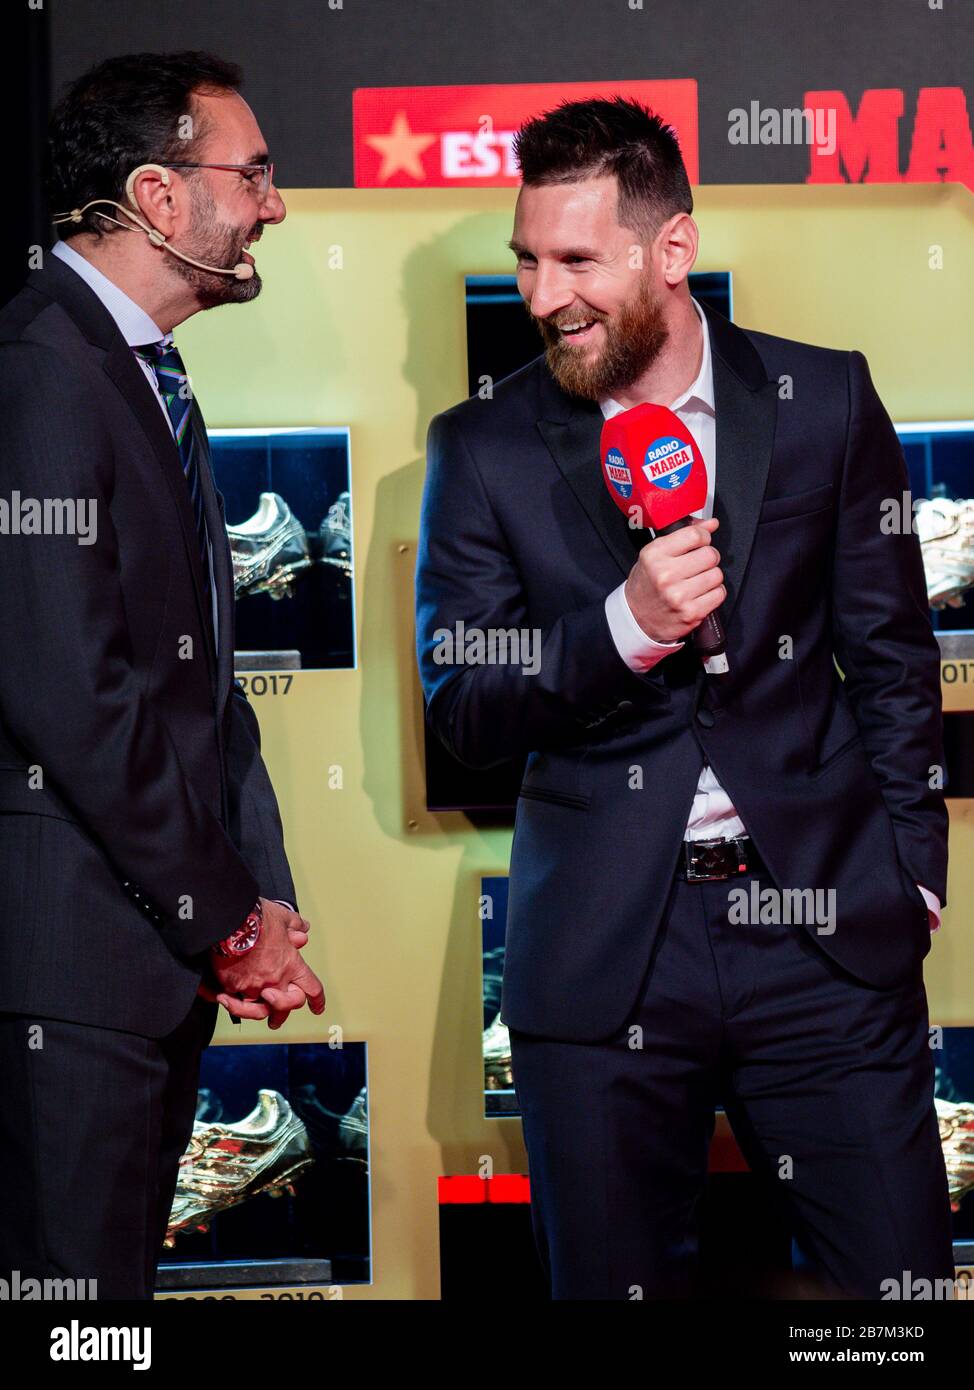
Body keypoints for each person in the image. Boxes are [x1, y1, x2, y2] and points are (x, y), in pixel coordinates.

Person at [416, 97, 953, 1299]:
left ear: (670, 250)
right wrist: (624, 627)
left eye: (574, 261)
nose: (541, 294)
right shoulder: (483, 446)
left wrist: (910, 871)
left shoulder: (821, 402)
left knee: (895, 1302)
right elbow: (463, 697)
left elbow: (890, 658)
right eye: (523, 259)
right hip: (608, 954)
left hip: (820, 932)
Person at [0, 51, 324, 1300]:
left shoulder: (135, 372)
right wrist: (227, 921)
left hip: (141, 966)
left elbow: (203, 685)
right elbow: (73, 696)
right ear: (157, 194)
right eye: (252, 174)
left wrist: (260, 901)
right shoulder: (42, 367)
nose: (274, 206)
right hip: (72, 972)